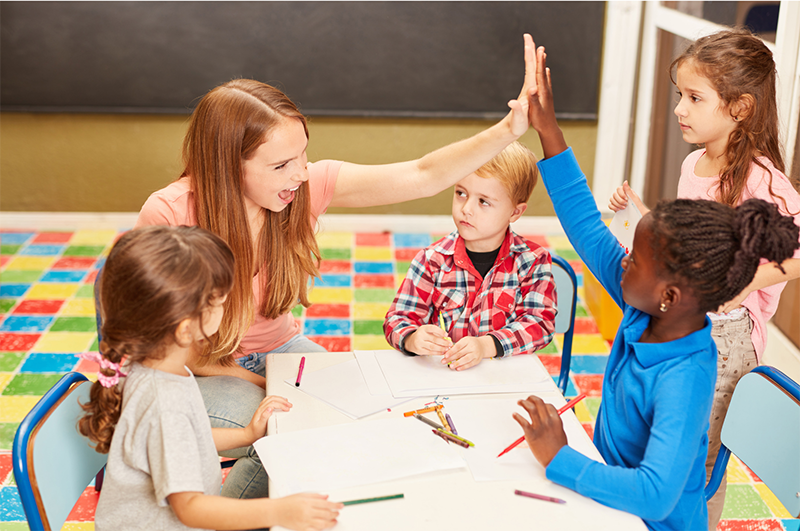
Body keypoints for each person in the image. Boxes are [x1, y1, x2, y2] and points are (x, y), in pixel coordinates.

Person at [134, 33, 544, 499]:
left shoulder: (300, 190)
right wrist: (265, 380)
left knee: (353, 418)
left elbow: (424, 174)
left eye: (304, 154)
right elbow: (160, 347)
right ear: (230, 165)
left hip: (278, 350)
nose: (302, 173)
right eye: (282, 164)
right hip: (195, 369)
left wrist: (510, 129)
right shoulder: (168, 214)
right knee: (286, 430)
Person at [513, 44, 800, 531]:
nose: (622, 265)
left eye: (636, 261)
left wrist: (560, 457)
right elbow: (587, 227)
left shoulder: (686, 373)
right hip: (606, 504)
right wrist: (549, 130)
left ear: (669, 293)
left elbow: (656, 495)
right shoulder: (646, 306)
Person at [607, 28, 800, 526]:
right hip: (687, 321)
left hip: (728, 341)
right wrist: (642, 218)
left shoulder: (765, 182)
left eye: (695, 98)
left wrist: (749, 283)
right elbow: (690, 241)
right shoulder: (694, 163)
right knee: (664, 441)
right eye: (680, 96)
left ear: (740, 107)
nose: (680, 110)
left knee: (700, 461)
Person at [79, 226, 341, 531]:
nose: (226, 305)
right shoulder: (165, 405)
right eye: (218, 302)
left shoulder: (154, 367)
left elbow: (190, 439)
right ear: (185, 328)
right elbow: (190, 508)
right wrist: (278, 512)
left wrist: (245, 435)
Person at [383, 141, 556, 370]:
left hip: (506, 378)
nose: (466, 209)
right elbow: (397, 319)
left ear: (515, 212)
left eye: (483, 201)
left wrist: (486, 346)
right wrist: (411, 338)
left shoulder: (533, 262)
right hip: (451, 377)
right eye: (461, 193)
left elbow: (540, 324)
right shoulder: (432, 260)